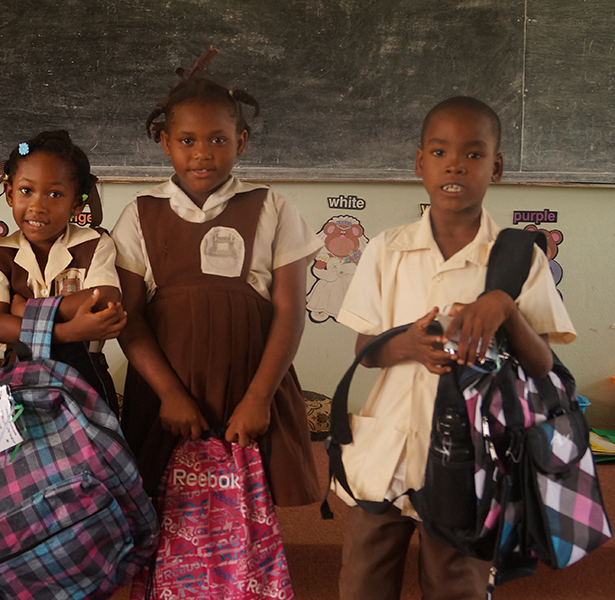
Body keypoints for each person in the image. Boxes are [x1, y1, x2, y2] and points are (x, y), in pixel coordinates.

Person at [334, 96, 576, 600]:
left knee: (456, 583)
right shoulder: (387, 248)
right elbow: (367, 349)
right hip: (389, 445)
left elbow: (543, 364)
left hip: (474, 454)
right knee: (363, 580)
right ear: (420, 162)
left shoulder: (516, 257)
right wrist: (409, 345)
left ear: (497, 166)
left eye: (473, 154)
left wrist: (505, 311)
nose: (455, 165)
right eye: (441, 152)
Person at [112, 62, 322, 508]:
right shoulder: (140, 214)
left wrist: (259, 398)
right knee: (164, 513)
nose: (202, 153)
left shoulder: (274, 209)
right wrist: (169, 395)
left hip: (250, 386)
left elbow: (289, 311)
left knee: (248, 509)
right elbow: (129, 320)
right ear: (166, 143)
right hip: (168, 395)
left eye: (218, 140)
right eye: (187, 140)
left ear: (241, 142)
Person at [0, 130, 126, 407]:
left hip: (85, 380)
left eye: (55, 194)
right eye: (26, 191)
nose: (38, 206)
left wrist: (25, 310)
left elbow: (104, 298)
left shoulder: (95, 244)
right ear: (9, 194)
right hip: (17, 379)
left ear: (77, 202)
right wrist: (68, 333)